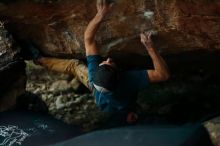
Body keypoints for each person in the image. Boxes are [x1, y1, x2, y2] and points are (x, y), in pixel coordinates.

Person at [30, 0, 169, 125]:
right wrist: (150, 48)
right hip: (117, 102)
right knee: (125, 109)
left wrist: (100, 14)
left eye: (104, 63)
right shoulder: (129, 81)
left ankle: (39, 60)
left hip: (96, 89)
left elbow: (88, 39)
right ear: (120, 75)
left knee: (74, 65)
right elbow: (163, 75)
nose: (107, 59)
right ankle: (126, 115)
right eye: (109, 63)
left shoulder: (93, 73)